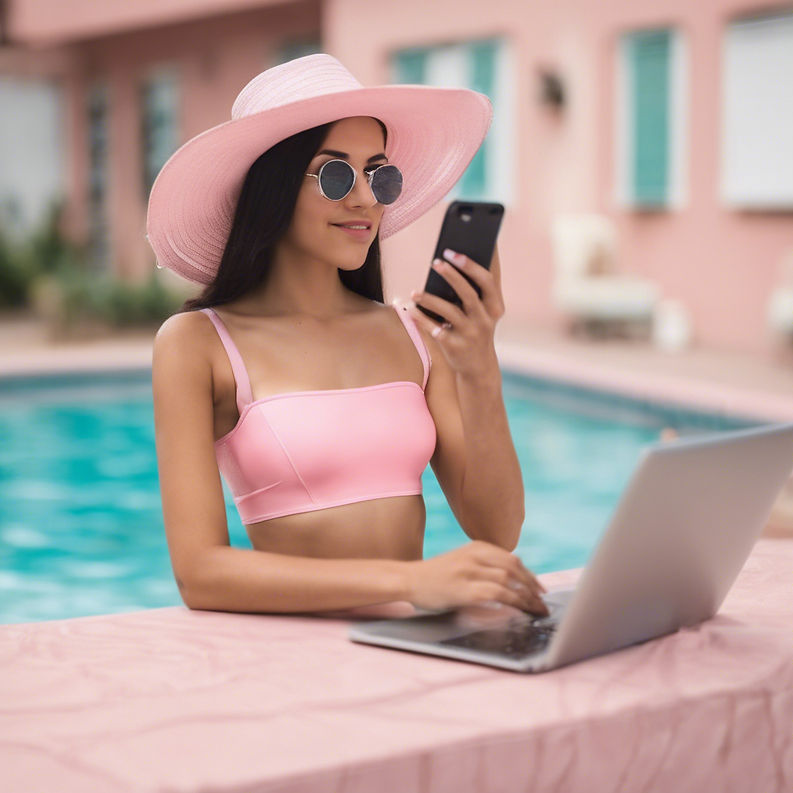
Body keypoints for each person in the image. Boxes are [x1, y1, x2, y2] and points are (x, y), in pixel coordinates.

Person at [147, 53, 548, 620]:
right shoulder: (197, 344)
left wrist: (479, 364)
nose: (365, 199)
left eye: (380, 175)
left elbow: (498, 529)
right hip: (296, 663)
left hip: (411, 648)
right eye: (336, 175)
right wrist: (413, 578)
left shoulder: (412, 334)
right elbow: (201, 573)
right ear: (274, 188)